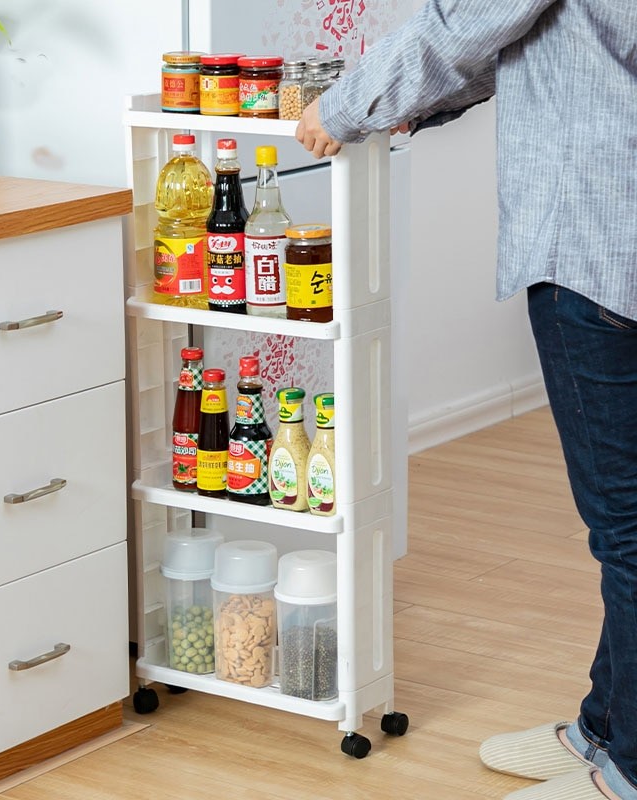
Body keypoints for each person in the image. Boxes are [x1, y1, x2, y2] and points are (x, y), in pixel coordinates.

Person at [295, 2, 637, 799]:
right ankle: (603, 728)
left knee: (627, 529)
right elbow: (542, 36)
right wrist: (416, 103)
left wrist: (342, 106)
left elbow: (463, 24)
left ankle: (627, 770)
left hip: (591, 236)